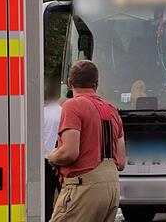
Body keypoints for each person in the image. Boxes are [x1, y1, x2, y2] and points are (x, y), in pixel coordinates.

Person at [48, 60, 127, 222]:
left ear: (70, 83)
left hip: (84, 187)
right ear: (96, 84)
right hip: (111, 188)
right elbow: (121, 162)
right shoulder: (111, 110)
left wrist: (52, 157)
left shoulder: (73, 106)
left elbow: (69, 153)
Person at [43, 89, 63, 222]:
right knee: (64, 195)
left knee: (46, 198)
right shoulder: (62, 111)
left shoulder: (40, 113)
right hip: (60, 158)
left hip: (43, 159)